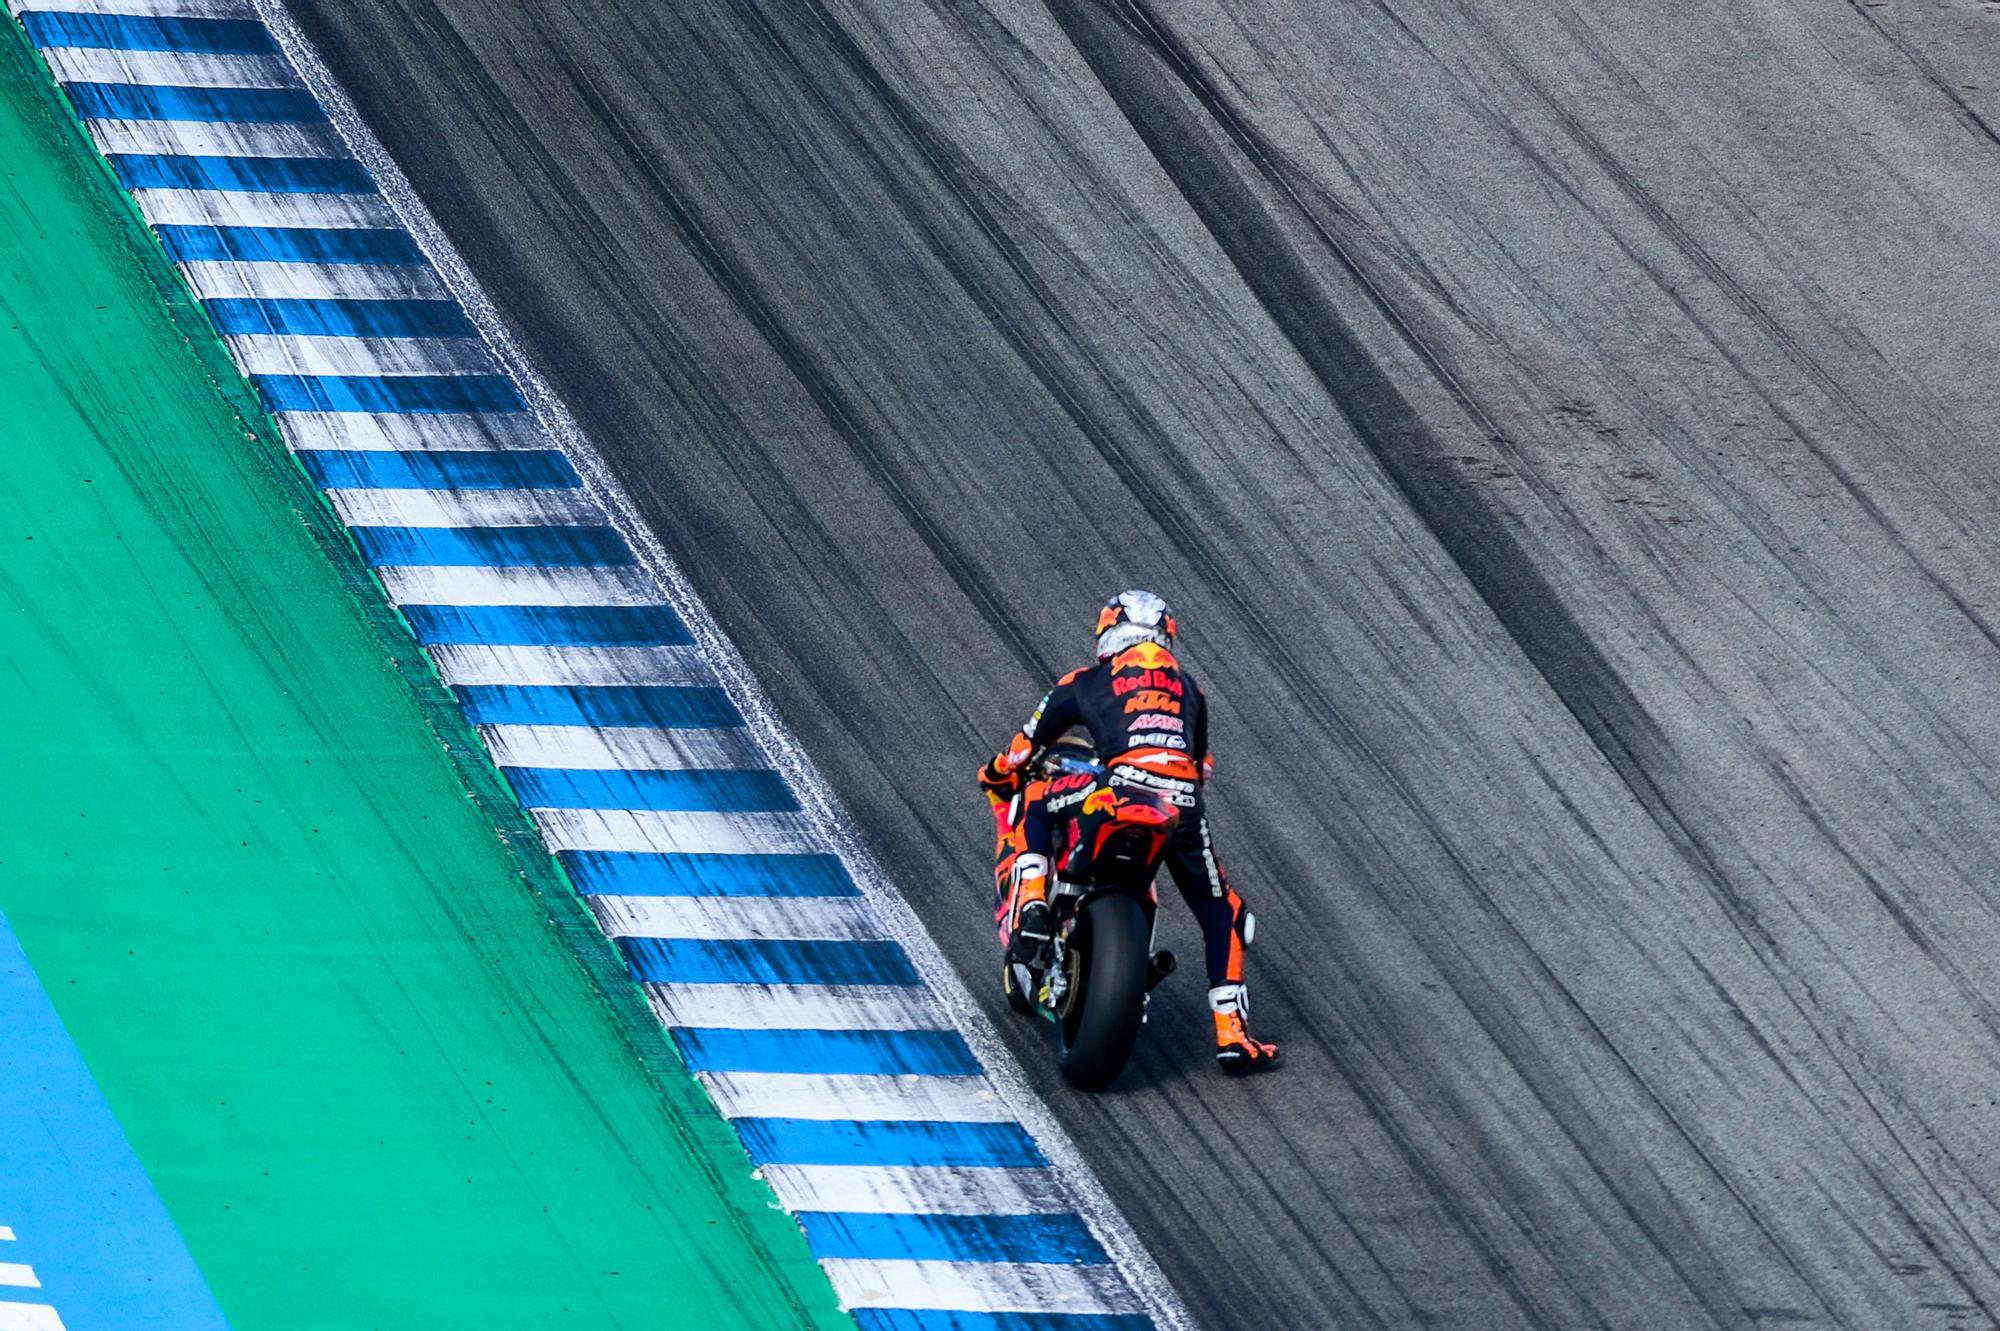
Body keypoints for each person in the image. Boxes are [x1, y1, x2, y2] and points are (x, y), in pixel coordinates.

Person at [979, 591, 1281, 1075]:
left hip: (1116, 790)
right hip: (1180, 807)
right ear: (1167, 638)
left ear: (1107, 636)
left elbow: (1023, 747)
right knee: (1220, 908)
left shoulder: (1086, 680)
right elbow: (1201, 767)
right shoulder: (1191, 689)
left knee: (1034, 796)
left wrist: (994, 774)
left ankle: (1033, 904)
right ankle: (1233, 1035)